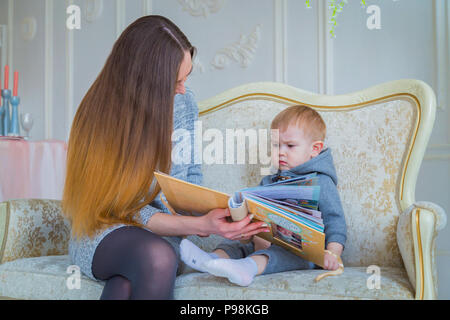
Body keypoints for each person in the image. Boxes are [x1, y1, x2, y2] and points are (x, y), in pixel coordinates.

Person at [62, 15, 269, 300]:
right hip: (101, 234)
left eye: (187, 77)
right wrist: (201, 225)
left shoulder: (184, 103)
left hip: (162, 236)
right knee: (155, 257)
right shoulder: (97, 118)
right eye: (175, 81)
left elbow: (192, 176)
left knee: (127, 283)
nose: (183, 89)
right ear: (146, 81)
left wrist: (226, 217)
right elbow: (130, 209)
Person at [180, 105, 347, 286]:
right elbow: (256, 218)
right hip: (264, 243)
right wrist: (243, 227)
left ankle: (247, 268)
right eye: (276, 145)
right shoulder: (269, 181)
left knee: (283, 254)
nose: (280, 152)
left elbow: (336, 223)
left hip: (303, 253)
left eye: (290, 146)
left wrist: (332, 253)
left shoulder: (321, 181)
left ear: (315, 149)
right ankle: (210, 260)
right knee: (238, 245)